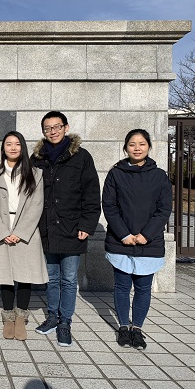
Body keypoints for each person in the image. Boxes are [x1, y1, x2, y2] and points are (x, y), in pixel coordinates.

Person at [31, 111, 101, 347]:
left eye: (57, 127)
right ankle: (52, 316)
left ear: (66, 127)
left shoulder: (81, 157)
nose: (52, 131)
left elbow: (92, 194)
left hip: (73, 228)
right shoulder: (37, 158)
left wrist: (87, 225)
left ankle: (65, 322)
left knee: (69, 279)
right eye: (47, 128)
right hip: (46, 228)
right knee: (51, 277)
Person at [103, 129, 172, 350]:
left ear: (149, 147)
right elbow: (109, 207)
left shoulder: (160, 176)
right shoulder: (115, 174)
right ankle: (123, 327)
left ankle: (137, 329)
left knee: (143, 288)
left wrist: (146, 235)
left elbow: (164, 210)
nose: (137, 148)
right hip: (120, 240)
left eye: (142, 144)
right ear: (126, 147)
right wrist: (124, 234)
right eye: (132, 144)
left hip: (149, 242)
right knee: (122, 286)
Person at [0, 131, 48, 341]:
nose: (13, 148)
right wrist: (3, 232)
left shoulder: (35, 174)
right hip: (2, 229)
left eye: (17, 144)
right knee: (5, 277)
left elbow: (37, 205)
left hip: (26, 231)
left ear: (23, 147)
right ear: (3, 148)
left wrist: (20, 233)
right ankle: (8, 318)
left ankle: (21, 317)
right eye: (8, 144)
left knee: (25, 276)